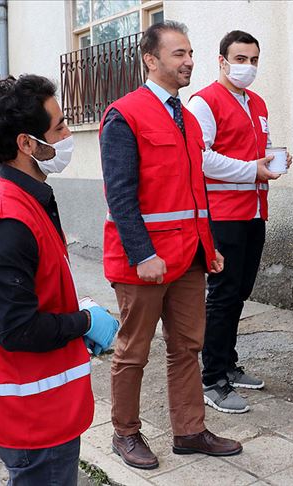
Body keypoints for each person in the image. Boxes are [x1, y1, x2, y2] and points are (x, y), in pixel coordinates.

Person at [0, 74, 119, 485]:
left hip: (38, 401)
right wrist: (84, 322)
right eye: (60, 127)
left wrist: (76, 311)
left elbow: (35, 290)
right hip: (29, 411)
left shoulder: (27, 200)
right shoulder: (6, 221)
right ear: (27, 144)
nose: (68, 136)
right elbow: (17, 328)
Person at [99, 21, 242, 470]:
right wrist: (143, 254)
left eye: (191, 53)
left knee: (187, 349)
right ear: (151, 60)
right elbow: (120, 195)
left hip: (188, 259)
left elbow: (194, 190)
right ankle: (125, 433)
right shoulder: (125, 114)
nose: (189, 62)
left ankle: (190, 430)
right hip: (143, 263)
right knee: (132, 352)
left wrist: (208, 246)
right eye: (179, 54)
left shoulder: (186, 116)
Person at [188, 30, 293, 414]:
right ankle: (212, 378)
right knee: (223, 292)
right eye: (240, 59)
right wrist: (253, 169)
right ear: (221, 61)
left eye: (253, 60)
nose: (247, 67)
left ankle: (228, 364)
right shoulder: (205, 102)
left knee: (240, 291)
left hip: (254, 210)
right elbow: (202, 158)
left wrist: (272, 160)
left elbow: (253, 151)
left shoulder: (257, 103)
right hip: (224, 214)